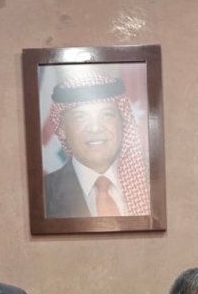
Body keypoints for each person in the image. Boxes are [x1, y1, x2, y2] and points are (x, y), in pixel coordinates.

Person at [43, 70, 150, 219]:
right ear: (62, 129)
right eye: (80, 117)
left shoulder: (153, 181)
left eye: (106, 115)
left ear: (123, 122)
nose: (95, 128)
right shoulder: (43, 194)